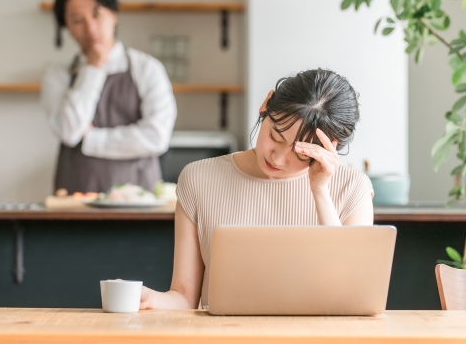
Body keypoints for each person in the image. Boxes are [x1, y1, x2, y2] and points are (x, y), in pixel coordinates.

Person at [139, 68, 374, 309]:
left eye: (301, 155)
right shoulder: (198, 178)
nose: (279, 159)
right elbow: (185, 298)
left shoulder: (353, 189)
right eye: (275, 136)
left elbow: (349, 297)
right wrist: (149, 299)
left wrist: (320, 191)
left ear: (329, 148)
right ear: (266, 105)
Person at [41, 0, 177, 194]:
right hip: (75, 201)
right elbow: (69, 131)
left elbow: (157, 137)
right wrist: (94, 67)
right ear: (66, 27)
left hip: (140, 201)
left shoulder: (147, 68)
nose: (90, 27)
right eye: (77, 20)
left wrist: (91, 138)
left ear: (114, 14)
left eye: (97, 14)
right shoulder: (58, 75)